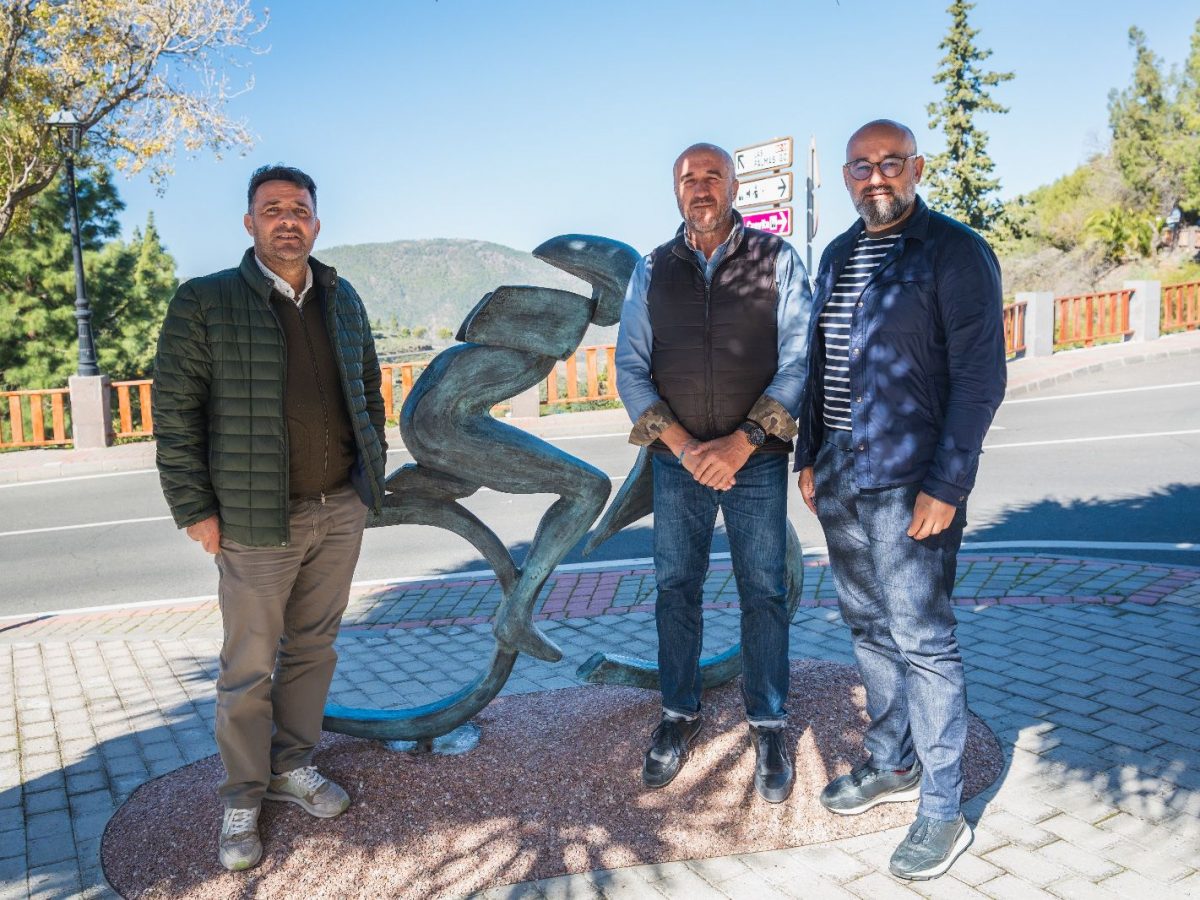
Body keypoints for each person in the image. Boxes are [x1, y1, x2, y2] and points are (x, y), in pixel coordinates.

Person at [152, 164, 387, 871]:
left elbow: (367, 390)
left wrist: (366, 478)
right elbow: (174, 413)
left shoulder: (342, 300)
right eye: (272, 208)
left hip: (337, 508)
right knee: (248, 667)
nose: (288, 219)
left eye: (299, 208)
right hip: (256, 518)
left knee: (314, 648)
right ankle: (243, 796)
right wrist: (195, 508)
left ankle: (293, 767)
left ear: (317, 222)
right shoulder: (205, 302)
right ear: (249, 223)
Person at [795, 120, 1005, 880]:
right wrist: (807, 455)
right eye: (862, 166)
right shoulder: (838, 254)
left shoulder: (953, 252)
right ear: (847, 177)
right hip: (841, 470)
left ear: (916, 168)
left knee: (922, 638)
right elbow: (821, 361)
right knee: (867, 627)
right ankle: (892, 763)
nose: (876, 177)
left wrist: (948, 485)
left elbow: (982, 379)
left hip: (913, 477)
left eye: (891, 163)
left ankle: (942, 810)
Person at [615, 142, 812, 803]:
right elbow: (631, 368)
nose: (700, 187)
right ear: (675, 191)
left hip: (753, 462)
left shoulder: (777, 260)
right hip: (677, 462)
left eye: (712, 177)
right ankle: (678, 713)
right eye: (687, 178)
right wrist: (685, 445)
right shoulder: (650, 269)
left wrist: (742, 441)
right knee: (676, 589)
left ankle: (769, 723)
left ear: (734, 187)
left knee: (763, 591)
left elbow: (797, 360)